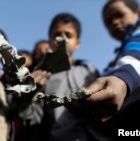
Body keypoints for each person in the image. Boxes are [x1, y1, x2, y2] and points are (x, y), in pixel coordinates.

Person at [65, 0, 140, 140]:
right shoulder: (116, 62)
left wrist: (123, 77)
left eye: (119, 14)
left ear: (138, 12)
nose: (114, 23)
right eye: (108, 23)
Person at [20, 13, 99, 141]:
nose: (62, 39)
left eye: (68, 35)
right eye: (57, 35)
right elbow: (31, 118)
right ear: (50, 40)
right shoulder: (42, 77)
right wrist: (27, 94)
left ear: (77, 42)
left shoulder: (89, 71)